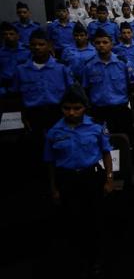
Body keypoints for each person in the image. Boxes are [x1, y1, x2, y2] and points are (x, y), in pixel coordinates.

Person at [44, 85, 113, 277]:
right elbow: (50, 162)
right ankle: (77, 258)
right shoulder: (54, 131)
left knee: (95, 219)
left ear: (85, 107)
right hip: (67, 180)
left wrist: (109, 179)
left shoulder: (96, 126)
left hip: (91, 177)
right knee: (73, 220)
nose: (71, 112)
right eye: (67, 108)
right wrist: (54, 188)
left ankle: (97, 258)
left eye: (76, 108)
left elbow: (106, 153)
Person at [13, 29, 73, 171]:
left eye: (41, 44)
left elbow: (70, 93)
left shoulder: (61, 68)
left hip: (57, 113)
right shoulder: (21, 70)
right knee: (37, 150)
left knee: (61, 148)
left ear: (49, 46)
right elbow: (17, 95)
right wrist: (22, 115)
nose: (37, 48)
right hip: (33, 115)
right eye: (34, 45)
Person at [82, 28, 134, 134]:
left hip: (120, 109)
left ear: (111, 44)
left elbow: (133, 85)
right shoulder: (88, 66)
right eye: (98, 43)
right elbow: (86, 88)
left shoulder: (124, 63)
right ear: (93, 45)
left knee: (123, 141)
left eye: (105, 42)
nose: (101, 45)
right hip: (99, 111)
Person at [0, 22, 30, 96]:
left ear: (18, 36)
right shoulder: (0, 52)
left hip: (23, 84)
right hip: (5, 85)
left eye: (11, 34)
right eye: (5, 34)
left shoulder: (27, 51)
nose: (8, 36)